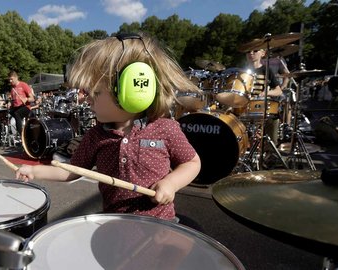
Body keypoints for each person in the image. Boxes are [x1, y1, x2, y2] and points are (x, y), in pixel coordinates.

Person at [15, 33, 201, 222]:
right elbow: (72, 170)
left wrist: (171, 183)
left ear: (133, 91)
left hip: (160, 225)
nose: (87, 100)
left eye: (94, 92)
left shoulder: (164, 129)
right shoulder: (96, 135)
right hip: (114, 223)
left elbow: (192, 163)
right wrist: (34, 171)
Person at [246, 48, 283, 145]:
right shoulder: (242, 71)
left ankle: (269, 150)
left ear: (263, 53)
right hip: (244, 106)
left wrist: (266, 93)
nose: (251, 52)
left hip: (260, 107)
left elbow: (278, 91)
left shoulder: (266, 70)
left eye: (255, 50)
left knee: (274, 117)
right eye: (248, 51)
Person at [8, 70, 35, 137]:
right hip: (17, 108)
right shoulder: (12, 89)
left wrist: (26, 99)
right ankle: (20, 128)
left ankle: (22, 135)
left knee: (17, 113)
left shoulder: (23, 85)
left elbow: (32, 99)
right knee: (10, 111)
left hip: (25, 107)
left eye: (11, 79)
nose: (10, 81)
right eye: (9, 80)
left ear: (16, 77)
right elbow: (12, 101)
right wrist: (9, 104)